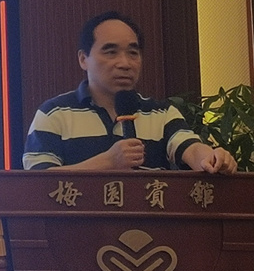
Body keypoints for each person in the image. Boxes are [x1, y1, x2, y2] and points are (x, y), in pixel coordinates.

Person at [23, 11, 237, 172]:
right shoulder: (54, 114)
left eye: (133, 53)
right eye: (111, 52)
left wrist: (211, 158)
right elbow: (37, 184)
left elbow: (190, 148)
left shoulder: (161, 113)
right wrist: (108, 162)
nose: (125, 63)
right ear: (83, 59)